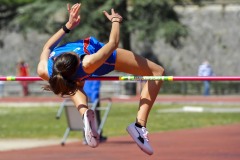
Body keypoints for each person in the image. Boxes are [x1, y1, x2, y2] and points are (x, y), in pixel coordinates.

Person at [37, 3, 164, 155]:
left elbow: (47, 48)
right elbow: (113, 43)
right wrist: (115, 21)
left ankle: (84, 113)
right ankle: (139, 125)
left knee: (72, 84)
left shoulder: (46, 70)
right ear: (78, 61)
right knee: (157, 72)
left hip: (72, 74)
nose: (75, 53)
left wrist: (68, 26)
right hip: (101, 57)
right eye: (76, 56)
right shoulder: (87, 62)